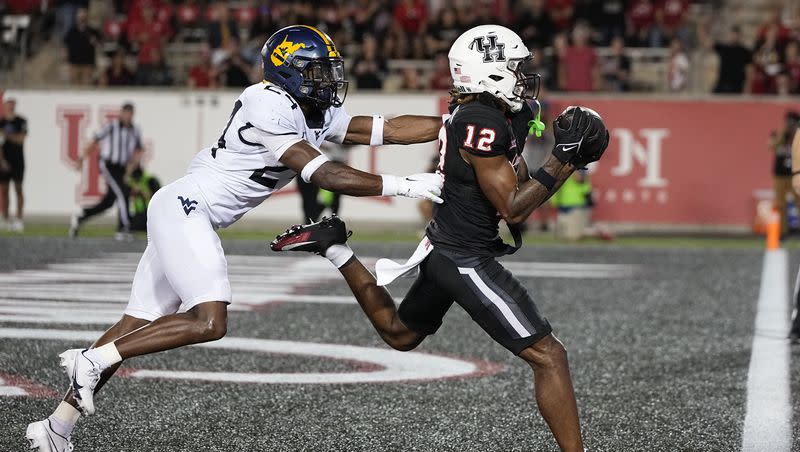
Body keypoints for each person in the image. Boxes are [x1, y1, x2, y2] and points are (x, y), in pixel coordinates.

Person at [26, 25, 445, 452]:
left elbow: (386, 129)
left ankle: (56, 427)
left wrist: (451, 123)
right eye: (317, 72)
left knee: (134, 326)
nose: (327, 82)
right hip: (189, 207)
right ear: (288, 70)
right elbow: (323, 172)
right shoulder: (266, 101)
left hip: (185, 210)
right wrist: (405, 184)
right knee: (210, 321)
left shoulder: (306, 107)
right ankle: (92, 359)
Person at [272, 25, 610, 452]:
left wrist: (563, 161)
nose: (524, 76)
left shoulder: (501, 114)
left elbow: (515, 176)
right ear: (487, 72)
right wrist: (565, 160)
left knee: (399, 334)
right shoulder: (479, 120)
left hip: (444, 245)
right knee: (549, 355)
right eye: (515, 68)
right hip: (462, 256)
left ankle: (335, 246)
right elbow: (514, 207)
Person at [68, 103, 143, 241]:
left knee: (108, 202)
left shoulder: (135, 130)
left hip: (122, 168)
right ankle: (123, 228)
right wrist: (81, 159)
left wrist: (132, 167)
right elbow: (94, 141)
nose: (127, 116)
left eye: (130, 113)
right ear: (121, 113)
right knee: (123, 192)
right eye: (125, 113)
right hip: (108, 164)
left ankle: (81, 216)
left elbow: (139, 150)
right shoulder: (111, 127)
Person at [0, 98, 28, 232]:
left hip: (18, 160)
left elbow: (20, 140)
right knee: (4, 190)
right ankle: (5, 218)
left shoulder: (21, 121)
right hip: (4, 161)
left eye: (12, 104)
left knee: (18, 189)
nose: (10, 106)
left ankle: (19, 218)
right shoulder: (1, 122)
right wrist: (2, 161)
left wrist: (6, 134)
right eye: (8, 104)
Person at [771, 111, 799, 236]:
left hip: (795, 175)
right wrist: (783, 134)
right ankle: (782, 231)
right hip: (780, 175)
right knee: (780, 204)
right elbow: (771, 146)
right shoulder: (777, 134)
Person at [63, 8, 99, 85]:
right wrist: (66, 58)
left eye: (84, 16)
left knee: (86, 87)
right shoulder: (72, 31)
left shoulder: (92, 31)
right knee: (74, 87)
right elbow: (66, 45)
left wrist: (95, 41)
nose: (82, 18)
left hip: (88, 64)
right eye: (80, 16)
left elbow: (99, 44)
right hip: (74, 63)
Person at [127, 165, 161, 232]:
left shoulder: (151, 180)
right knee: (133, 226)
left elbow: (157, 198)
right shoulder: (130, 182)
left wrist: (141, 192)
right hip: (138, 213)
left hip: (150, 212)